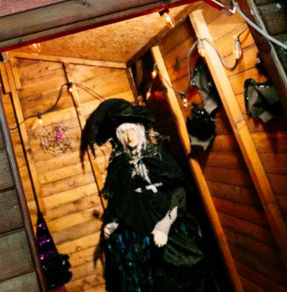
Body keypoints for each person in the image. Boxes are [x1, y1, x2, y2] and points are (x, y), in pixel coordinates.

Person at [82, 99, 216, 291]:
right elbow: (120, 201)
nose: (129, 137)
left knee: (190, 267)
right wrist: (113, 223)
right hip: (139, 231)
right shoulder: (120, 163)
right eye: (124, 133)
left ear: (140, 129)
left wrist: (165, 224)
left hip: (167, 220)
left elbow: (179, 191)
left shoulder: (157, 155)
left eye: (132, 130)